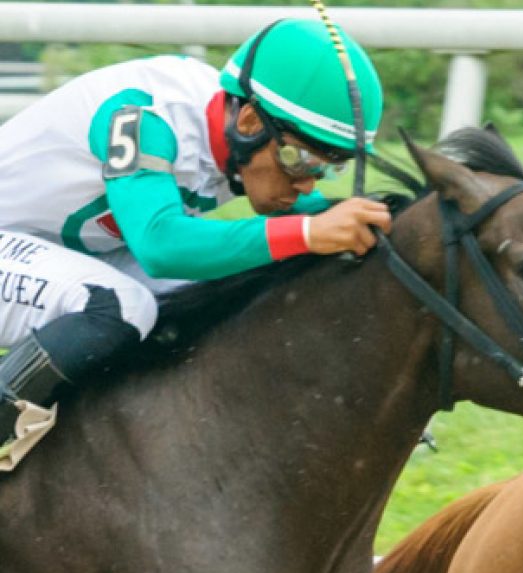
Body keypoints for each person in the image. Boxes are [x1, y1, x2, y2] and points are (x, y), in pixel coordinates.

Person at [0, 18, 392, 458]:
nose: (307, 184)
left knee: (217, 297)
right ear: (248, 121)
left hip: (63, 250)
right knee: (117, 306)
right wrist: (307, 232)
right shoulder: (143, 117)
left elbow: (312, 212)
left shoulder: (240, 134)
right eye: (301, 161)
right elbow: (160, 245)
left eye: (325, 167)